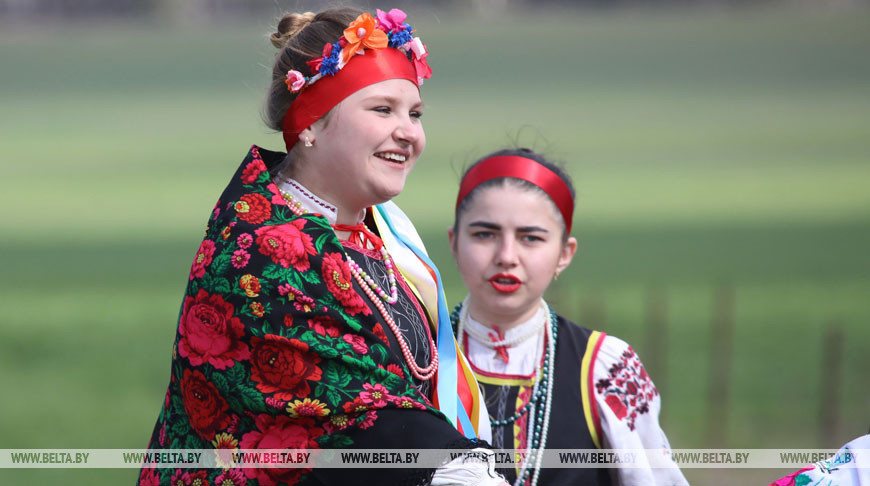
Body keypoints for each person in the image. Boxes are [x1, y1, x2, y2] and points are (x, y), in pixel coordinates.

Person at [139, 8, 504, 486]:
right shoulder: (262, 250)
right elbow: (344, 411)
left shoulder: (381, 235)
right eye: (382, 109)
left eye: (414, 114)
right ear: (310, 123)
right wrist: (459, 469)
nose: (408, 132)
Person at [447, 148, 689, 485]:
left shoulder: (605, 368)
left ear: (564, 254)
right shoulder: (411, 354)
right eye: (484, 234)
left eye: (530, 238)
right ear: (454, 242)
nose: (506, 256)